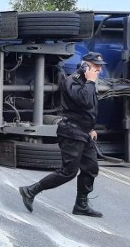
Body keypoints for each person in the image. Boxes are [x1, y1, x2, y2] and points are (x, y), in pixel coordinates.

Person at [19, 51, 106, 218]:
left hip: (84, 131)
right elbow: (85, 101)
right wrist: (90, 80)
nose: (99, 70)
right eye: (96, 66)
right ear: (85, 65)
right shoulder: (72, 82)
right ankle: (30, 191)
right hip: (71, 132)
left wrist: (91, 127)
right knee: (68, 172)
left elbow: (88, 109)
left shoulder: (88, 83)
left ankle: (81, 205)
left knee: (91, 168)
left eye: (100, 67)